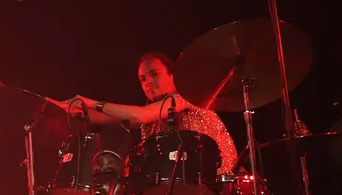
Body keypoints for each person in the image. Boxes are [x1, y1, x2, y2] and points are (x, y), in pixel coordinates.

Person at [63, 51, 239, 176]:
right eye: (143, 79)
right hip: (178, 183)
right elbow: (109, 118)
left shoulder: (186, 96)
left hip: (221, 178)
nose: (148, 82)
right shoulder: (151, 114)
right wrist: (70, 109)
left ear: (172, 76)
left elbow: (139, 115)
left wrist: (93, 103)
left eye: (154, 74)